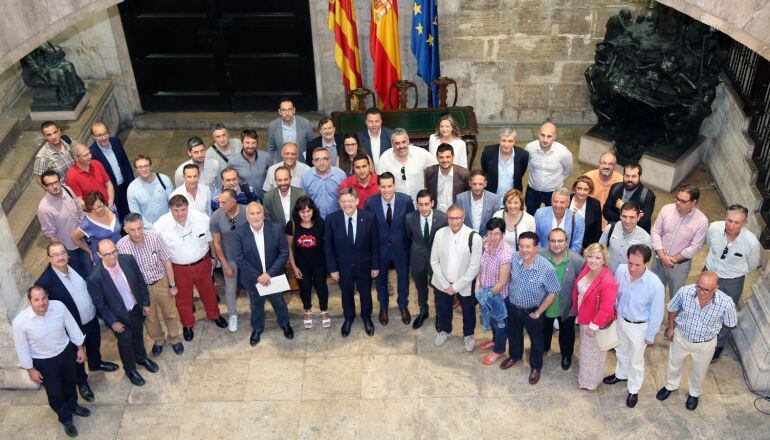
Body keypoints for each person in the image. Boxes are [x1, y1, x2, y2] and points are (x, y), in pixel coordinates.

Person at [36, 242, 119, 402]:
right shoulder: (45, 282)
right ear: (49, 258)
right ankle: (82, 382)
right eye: (55, 255)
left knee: (94, 343)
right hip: (72, 326)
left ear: (67, 254)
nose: (60, 257)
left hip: (91, 317)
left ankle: (96, 363)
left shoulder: (75, 263)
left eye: (62, 253)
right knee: (77, 356)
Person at [12, 286, 88, 438]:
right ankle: (65, 418)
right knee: (54, 391)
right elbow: (22, 347)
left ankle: (73, 406)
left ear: (48, 297)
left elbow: (72, 326)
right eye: (36, 300)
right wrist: (30, 369)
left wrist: (80, 348)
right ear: (29, 301)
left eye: (44, 298)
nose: (42, 303)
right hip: (44, 361)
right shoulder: (20, 322)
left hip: (65, 352)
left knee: (70, 382)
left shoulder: (58, 307)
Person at [656, 272, 737, 410]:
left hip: (705, 344)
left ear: (716, 288)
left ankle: (694, 393)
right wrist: (670, 328)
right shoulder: (685, 291)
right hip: (681, 337)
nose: (701, 292)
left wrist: (715, 335)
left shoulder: (726, 303)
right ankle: (671, 385)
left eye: (706, 290)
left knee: (699, 371)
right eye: (699, 287)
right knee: (674, 364)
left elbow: (731, 323)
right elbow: (672, 308)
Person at [154, 195, 228, 341]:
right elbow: (160, 252)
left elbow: (210, 240)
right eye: (176, 210)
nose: (180, 214)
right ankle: (187, 324)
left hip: (202, 263)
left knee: (209, 292)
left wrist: (214, 257)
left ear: (188, 207)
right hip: (178, 268)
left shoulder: (201, 218)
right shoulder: (160, 226)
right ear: (171, 210)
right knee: (183, 298)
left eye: (183, 209)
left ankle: (214, 314)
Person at [87, 239, 159, 387]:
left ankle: (142, 358)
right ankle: (130, 370)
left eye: (114, 251)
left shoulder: (128, 260)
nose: (113, 256)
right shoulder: (95, 277)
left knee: (139, 336)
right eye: (107, 254)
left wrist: (145, 303)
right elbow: (100, 305)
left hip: (136, 309)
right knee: (125, 344)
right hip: (119, 318)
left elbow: (140, 281)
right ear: (99, 255)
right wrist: (113, 322)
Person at [603, 244, 665, 408]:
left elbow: (657, 313)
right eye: (630, 263)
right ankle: (621, 374)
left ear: (646, 263)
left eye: (637, 265)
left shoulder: (655, 284)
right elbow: (615, 293)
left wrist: (650, 335)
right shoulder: (621, 270)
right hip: (620, 320)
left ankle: (633, 389)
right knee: (620, 351)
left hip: (639, 327)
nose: (632, 268)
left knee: (636, 360)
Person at [117, 214, 184, 355]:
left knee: (170, 312)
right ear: (125, 229)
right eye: (133, 230)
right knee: (150, 317)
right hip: (141, 289)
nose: (137, 233)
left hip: (161, 281)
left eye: (140, 228)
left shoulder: (155, 237)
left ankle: (174, 338)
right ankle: (158, 340)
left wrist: (172, 285)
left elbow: (166, 261)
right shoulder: (121, 246)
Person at [501, 231, 560, 385]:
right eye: (521, 246)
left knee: (536, 341)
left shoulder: (546, 268)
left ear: (536, 247)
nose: (524, 250)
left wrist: (539, 312)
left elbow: (553, 292)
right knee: (513, 334)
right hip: (513, 307)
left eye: (528, 246)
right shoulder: (514, 258)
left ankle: (536, 366)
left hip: (533, 311)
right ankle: (515, 356)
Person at [704, 204, 761, 362]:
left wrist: (733, 271)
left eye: (737, 222)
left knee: (725, 311)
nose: (731, 225)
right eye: (729, 220)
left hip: (732, 280)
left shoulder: (751, 242)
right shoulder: (714, 228)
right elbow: (709, 244)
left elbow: (753, 264)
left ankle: (719, 343)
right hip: (709, 272)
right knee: (702, 301)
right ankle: (700, 331)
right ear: (725, 217)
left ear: (745, 222)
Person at [234, 202, 294, 346]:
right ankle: (257, 328)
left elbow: (284, 253)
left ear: (263, 214)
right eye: (252, 214)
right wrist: (258, 276)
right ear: (247, 216)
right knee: (256, 305)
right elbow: (239, 258)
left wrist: (269, 274)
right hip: (253, 280)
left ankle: (285, 323)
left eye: (258, 213)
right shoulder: (239, 232)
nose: (255, 216)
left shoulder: (276, 228)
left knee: (279, 302)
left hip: (273, 277)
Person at [324, 188, 380, 337]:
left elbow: (374, 243)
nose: (346, 204)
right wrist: (332, 269)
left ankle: (366, 317)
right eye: (343, 201)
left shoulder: (369, 218)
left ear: (357, 201)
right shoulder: (331, 219)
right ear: (339, 203)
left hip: (364, 265)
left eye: (349, 201)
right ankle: (348, 318)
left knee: (366, 294)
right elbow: (328, 247)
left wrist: (375, 265)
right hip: (343, 267)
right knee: (346, 293)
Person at [365, 171, 415, 325]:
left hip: (401, 249)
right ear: (378, 187)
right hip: (380, 250)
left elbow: (411, 224)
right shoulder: (370, 203)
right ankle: (383, 306)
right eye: (383, 186)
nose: (386, 190)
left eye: (389, 186)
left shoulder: (406, 201)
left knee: (403, 279)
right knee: (380, 280)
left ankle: (403, 305)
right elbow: (368, 229)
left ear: (394, 186)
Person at [431, 204, 483, 351]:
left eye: (458, 218)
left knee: (468, 310)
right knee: (443, 308)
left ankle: (468, 334)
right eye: (451, 218)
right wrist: (445, 284)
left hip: (464, 284)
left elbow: (474, 268)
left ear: (463, 218)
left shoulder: (474, 237)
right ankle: (445, 330)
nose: (454, 222)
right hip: (443, 283)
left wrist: (455, 287)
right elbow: (434, 261)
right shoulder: (440, 233)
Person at [650, 184, 708, 306]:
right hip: (658, 260)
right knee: (653, 291)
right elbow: (655, 231)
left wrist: (673, 260)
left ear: (693, 202)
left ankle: (672, 324)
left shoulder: (701, 221)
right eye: (677, 198)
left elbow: (695, 246)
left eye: (683, 201)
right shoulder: (666, 209)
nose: (678, 203)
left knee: (676, 297)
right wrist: (661, 255)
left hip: (679, 267)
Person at [572, 243, 618, 390]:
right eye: (590, 256)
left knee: (594, 354)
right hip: (584, 317)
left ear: (604, 260)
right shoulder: (588, 269)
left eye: (597, 258)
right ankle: (585, 376)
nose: (592, 260)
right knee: (587, 351)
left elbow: (606, 309)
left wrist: (593, 326)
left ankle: (589, 383)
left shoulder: (608, 281)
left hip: (593, 322)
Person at [539, 228, 584, 370]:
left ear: (566, 242)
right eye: (553, 241)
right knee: (543, 330)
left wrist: (575, 308)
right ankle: (544, 348)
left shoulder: (577, 261)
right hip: (544, 304)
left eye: (560, 241)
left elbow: (581, 287)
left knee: (567, 333)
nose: (556, 244)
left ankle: (566, 355)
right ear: (548, 242)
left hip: (566, 306)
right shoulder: (540, 256)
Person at [405, 189, 448, 330]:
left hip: (437, 260)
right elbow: (409, 235)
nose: (424, 208)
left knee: (438, 289)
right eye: (420, 204)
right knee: (420, 288)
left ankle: (439, 315)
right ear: (416, 204)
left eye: (427, 204)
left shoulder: (442, 218)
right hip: (418, 259)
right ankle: (423, 312)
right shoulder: (410, 218)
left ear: (433, 203)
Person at [286, 196, 330, 329]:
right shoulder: (292, 225)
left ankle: (324, 311)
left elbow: (327, 244)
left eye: (308, 211)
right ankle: (307, 311)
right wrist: (294, 267)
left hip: (319, 265)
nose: (306, 214)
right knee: (304, 289)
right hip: (301, 266)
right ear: (298, 212)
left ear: (313, 211)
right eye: (303, 212)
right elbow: (288, 247)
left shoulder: (320, 223)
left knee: (322, 288)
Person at [37, 170, 90, 275]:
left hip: (84, 236)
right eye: (50, 184)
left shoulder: (67, 189)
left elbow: (79, 209)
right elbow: (50, 235)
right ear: (44, 187)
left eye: (56, 182)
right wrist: (63, 253)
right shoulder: (44, 209)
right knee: (87, 273)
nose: (55, 186)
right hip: (71, 248)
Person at [209, 189, 248, 332]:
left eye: (224, 202)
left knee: (251, 287)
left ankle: (255, 311)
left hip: (247, 258)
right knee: (230, 289)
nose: (220, 205)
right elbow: (217, 243)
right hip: (229, 258)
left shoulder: (247, 211)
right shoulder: (216, 217)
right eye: (219, 201)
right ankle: (232, 315)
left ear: (234, 202)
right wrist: (224, 264)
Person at [476, 217, 513, 365]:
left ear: (503, 234)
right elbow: (481, 267)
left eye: (497, 234)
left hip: (498, 297)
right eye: (490, 233)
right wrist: (478, 283)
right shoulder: (486, 244)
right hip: (485, 293)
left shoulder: (506, 254)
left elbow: (502, 282)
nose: (492, 237)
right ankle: (494, 340)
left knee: (500, 323)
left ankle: (499, 349)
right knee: (491, 321)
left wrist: (486, 296)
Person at [376, 128, 437, 203]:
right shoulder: (384, 159)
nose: (401, 146)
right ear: (392, 144)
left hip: (418, 205)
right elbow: (380, 182)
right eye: (397, 143)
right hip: (397, 205)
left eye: (403, 142)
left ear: (408, 141)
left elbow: (436, 167)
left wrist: (428, 187)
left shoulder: (421, 154)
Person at [524, 122, 573, 214]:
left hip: (553, 191)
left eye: (549, 136)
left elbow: (567, 170)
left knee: (553, 217)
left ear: (554, 137)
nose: (545, 139)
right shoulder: (530, 147)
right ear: (538, 134)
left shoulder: (564, 152)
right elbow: (527, 165)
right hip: (533, 190)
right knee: (530, 215)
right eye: (542, 135)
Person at [89, 121, 133, 221]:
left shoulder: (115, 141)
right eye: (99, 135)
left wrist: (132, 183)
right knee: (119, 217)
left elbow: (125, 163)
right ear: (93, 137)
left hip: (125, 184)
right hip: (112, 191)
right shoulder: (92, 153)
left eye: (105, 133)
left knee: (130, 211)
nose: (104, 138)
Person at [599, 201, 652, 272]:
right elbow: (600, 250)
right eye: (624, 216)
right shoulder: (610, 228)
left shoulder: (645, 239)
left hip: (628, 279)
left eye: (632, 217)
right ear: (620, 215)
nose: (627, 221)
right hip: (607, 275)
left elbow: (646, 266)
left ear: (638, 217)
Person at [480, 128, 529, 204]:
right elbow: (485, 170)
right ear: (499, 139)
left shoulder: (523, 155)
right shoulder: (488, 152)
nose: (506, 144)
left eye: (510, 141)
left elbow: (520, 173)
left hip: (513, 199)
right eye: (503, 140)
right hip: (492, 197)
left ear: (514, 141)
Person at [603, 163, 656, 232]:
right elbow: (606, 212)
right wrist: (631, 218)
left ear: (640, 177)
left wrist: (624, 207)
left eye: (634, 176)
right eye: (627, 176)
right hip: (614, 231)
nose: (630, 179)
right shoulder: (615, 188)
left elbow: (644, 223)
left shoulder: (647, 196)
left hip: (635, 237)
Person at [71, 190, 121, 263]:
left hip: (119, 252)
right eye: (92, 209)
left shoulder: (112, 210)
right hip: (103, 260)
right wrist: (89, 251)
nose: (97, 211)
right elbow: (74, 238)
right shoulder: (87, 224)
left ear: (103, 202)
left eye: (99, 206)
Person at [126, 155, 174, 229]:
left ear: (151, 166)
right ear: (136, 170)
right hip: (148, 229)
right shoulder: (132, 189)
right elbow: (136, 213)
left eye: (146, 166)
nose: (144, 169)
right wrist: (152, 228)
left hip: (168, 224)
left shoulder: (164, 180)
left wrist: (169, 221)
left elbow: (173, 202)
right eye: (140, 167)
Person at [534, 187, 585, 253]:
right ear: (551, 201)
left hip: (567, 259)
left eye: (562, 202)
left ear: (568, 203)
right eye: (555, 201)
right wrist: (543, 257)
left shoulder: (578, 219)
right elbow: (535, 239)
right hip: (543, 256)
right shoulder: (539, 214)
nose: (558, 205)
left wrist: (565, 259)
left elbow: (577, 245)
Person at [301, 147, 346, 218]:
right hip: (315, 219)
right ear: (313, 162)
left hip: (336, 218)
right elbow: (303, 201)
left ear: (330, 160)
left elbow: (346, 198)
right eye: (317, 159)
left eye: (325, 159)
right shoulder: (306, 177)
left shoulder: (340, 175)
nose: (321, 163)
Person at [66, 141, 114, 208]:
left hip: (109, 206)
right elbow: (79, 201)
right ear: (76, 158)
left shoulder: (97, 164)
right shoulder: (71, 176)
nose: (90, 156)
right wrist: (97, 210)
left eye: (89, 153)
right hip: (94, 212)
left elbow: (108, 184)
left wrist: (110, 203)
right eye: (85, 155)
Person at [424, 143, 470, 213]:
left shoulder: (464, 174)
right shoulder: (429, 172)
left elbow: (468, 196)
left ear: (453, 157)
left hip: (456, 214)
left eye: (448, 157)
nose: (444, 160)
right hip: (437, 214)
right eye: (441, 157)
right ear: (437, 157)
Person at [455, 169, 500, 237]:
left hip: (486, 239)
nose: (477, 187)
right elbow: (457, 222)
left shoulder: (494, 199)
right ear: (469, 183)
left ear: (485, 184)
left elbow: (496, 224)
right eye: (474, 184)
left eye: (480, 184)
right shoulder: (461, 198)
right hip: (465, 238)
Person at [229, 130, 273, 196]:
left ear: (257, 143)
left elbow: (273, 176)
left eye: (253, 142)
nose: (251, 146)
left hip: (264, 199)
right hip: (245, 202)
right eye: (247, 142)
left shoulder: (266, 157)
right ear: (242, 143)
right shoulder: (233, 162)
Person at [582, 151, 622, 221]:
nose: (606, 166)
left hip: (611, 222)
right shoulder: (587, 178)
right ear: (599, 164)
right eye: (604, 163)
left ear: (614, 166)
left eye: (610, 164)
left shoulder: (621, 181)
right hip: (589, 221)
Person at [33, 121, 74, 187]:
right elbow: (39, 179)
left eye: (55, 132)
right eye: (49, 135)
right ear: (44, 137)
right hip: (65, 191)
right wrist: (54, 193)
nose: (54, 137)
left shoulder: (67, 141)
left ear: (59, 131)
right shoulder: (42, 156)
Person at [570, 175, 602, 249]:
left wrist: (593, 248)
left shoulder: (595, 204)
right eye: (579, 188)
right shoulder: (567, 199)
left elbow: (597, 230)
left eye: (585, 189)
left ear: (590, 190)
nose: (582, 192)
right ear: (574, 188)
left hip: (585, 245)